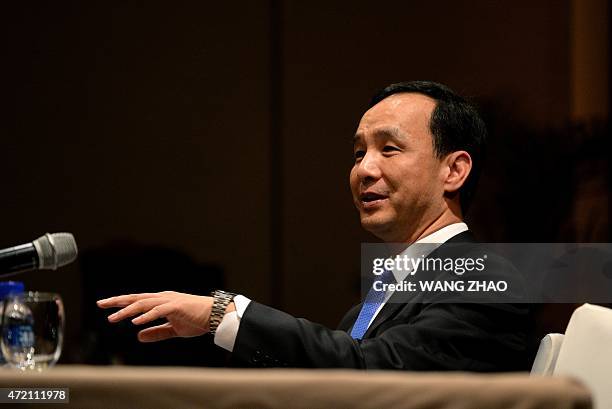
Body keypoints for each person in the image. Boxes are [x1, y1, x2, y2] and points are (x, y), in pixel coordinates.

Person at [97, 81, 534, 371]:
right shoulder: (393, 283)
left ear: (453, 171)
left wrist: (220, 313)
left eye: (389, 148)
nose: (364, 169)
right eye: (358, 153)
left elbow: (368, 371)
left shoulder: (483, 276)